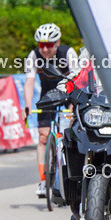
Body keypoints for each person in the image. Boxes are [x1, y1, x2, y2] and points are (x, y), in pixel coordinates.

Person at [22, 23, 79, 198]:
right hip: (47, 94)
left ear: (57, 42)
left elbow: (77, 80)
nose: (45, 50)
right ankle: (43, 180)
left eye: (49, 45)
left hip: (68, 92)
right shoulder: (34, 55)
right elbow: (30, 81)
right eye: (41, 45)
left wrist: (72, 106)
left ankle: (74, 178)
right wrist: (27, 106)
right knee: (43, 136)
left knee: (73, 133)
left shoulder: (68, 53)